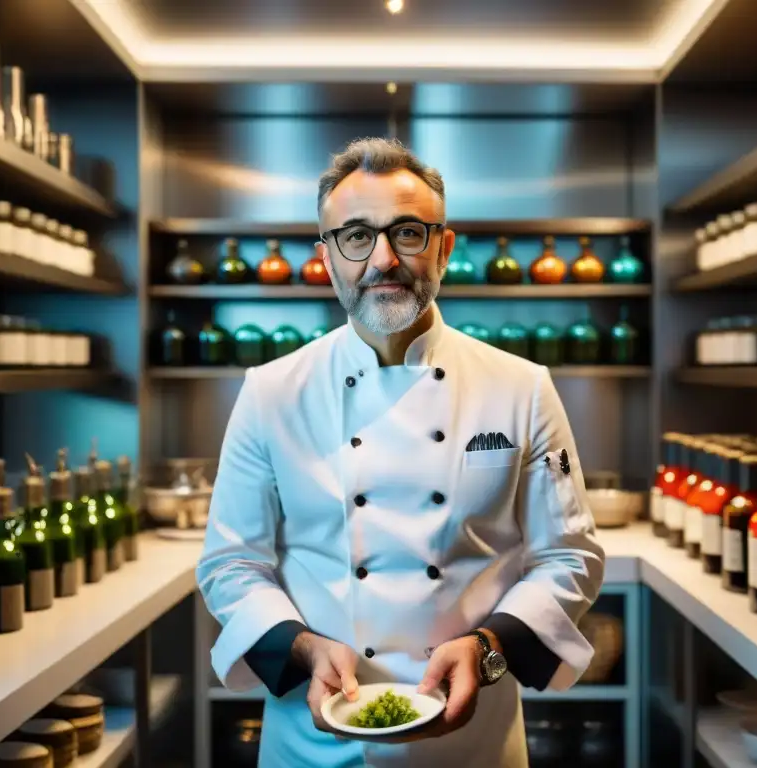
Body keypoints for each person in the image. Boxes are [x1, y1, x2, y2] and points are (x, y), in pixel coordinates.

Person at [197, 137, 605, 768]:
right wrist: (302, 648)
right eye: (356, 236)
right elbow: (230, 565)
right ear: (327, 257)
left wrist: (489, 647)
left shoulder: (521, 387)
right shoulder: (271, 392)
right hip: (314, 741)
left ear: (443, 247)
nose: (384, 259)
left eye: (408, 232)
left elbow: (569, 556)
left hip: (472, 743)